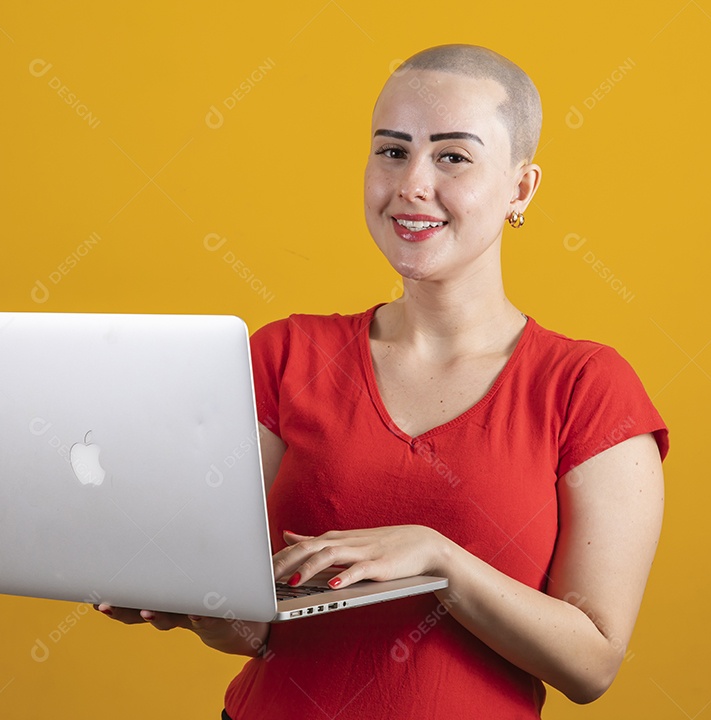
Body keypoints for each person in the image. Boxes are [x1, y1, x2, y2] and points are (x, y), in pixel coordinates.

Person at [96, 44, 668, 719]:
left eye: (453, 156)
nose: (411, 186)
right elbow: (256, 632)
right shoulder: (283, 356)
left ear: (521, 188)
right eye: (392, 151)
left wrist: (437, 559)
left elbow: (592, 662)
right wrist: (204, 607)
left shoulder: (586, 388)